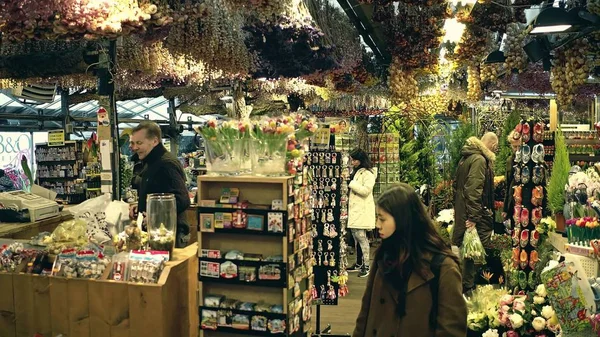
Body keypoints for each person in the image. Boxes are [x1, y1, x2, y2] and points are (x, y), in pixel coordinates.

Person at [353, 183, 467, 337]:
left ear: (402, 220)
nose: (377, 225)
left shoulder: (442, 267)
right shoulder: (384, 256)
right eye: (377, 218)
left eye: (382, 219)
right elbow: (365, 314)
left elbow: (451, 329)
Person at [129, 121, 191, 248]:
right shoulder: (151, 162)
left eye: (139, 143)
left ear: (155, 141)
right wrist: (141, 206)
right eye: (132, 143)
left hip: (171, 236)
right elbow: (159, 193)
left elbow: (183, 199)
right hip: (159, 235)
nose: (134, 147)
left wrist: (154, 216)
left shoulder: (166, 164)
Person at [453, 132, 498, 293]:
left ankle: (467, 287)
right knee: (475, 251)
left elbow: (458, 186)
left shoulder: (467, 157)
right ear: (492, 145)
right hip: (474, 214)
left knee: (469, 251)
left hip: (464, 210)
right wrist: (473, 217)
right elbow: (473, 189)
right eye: (496, 147)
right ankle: (471, 289)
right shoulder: (479, 160)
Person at [346, 148, 376, 278]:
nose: (352, 162)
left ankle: (366, 266)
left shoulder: (368, 173)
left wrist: (351, 183)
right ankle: (359, 263)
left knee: (362, 239)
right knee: (356, 238)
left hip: (362, 210)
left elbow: (366, 190)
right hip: (356, 210)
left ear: (360, 160)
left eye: (354, 159)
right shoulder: (357, 171)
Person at [503, 130, 521, 220]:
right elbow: (508, 184)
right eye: (514, 146)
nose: (517, 149)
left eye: (519, 146)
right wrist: (505, 208)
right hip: (513, 202)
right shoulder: (510, 161)